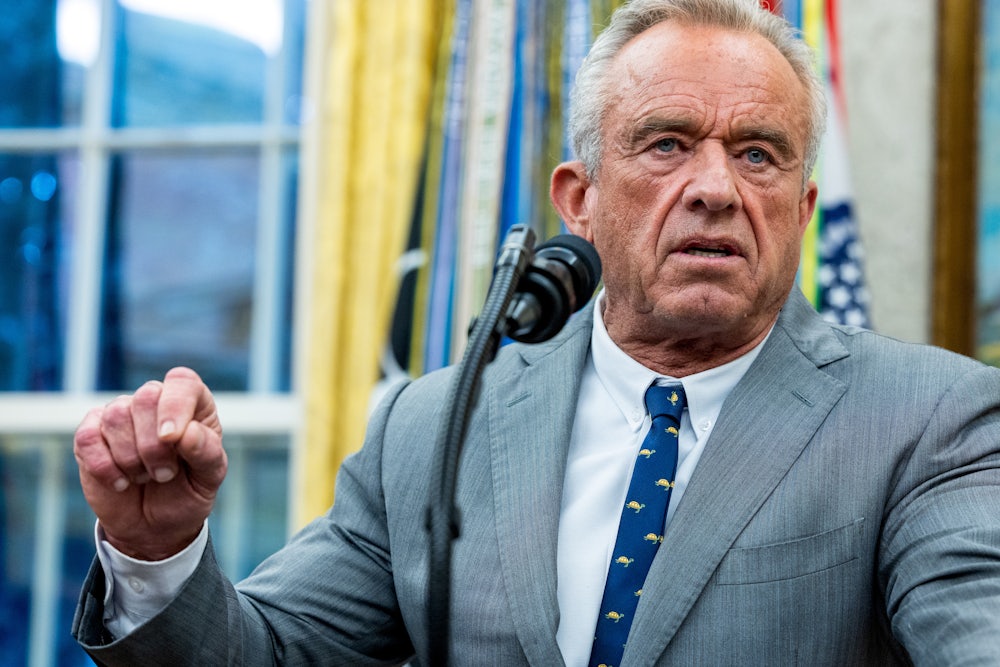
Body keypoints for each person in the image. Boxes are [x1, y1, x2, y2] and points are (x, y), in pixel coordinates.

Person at [73, 0, 1000, 664]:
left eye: (757, 153)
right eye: (668, 142)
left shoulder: (930, 422)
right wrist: (157, 553)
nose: (716, 187)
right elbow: (268, 653)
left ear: (801, 208)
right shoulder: (436, 426)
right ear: (580, 201)